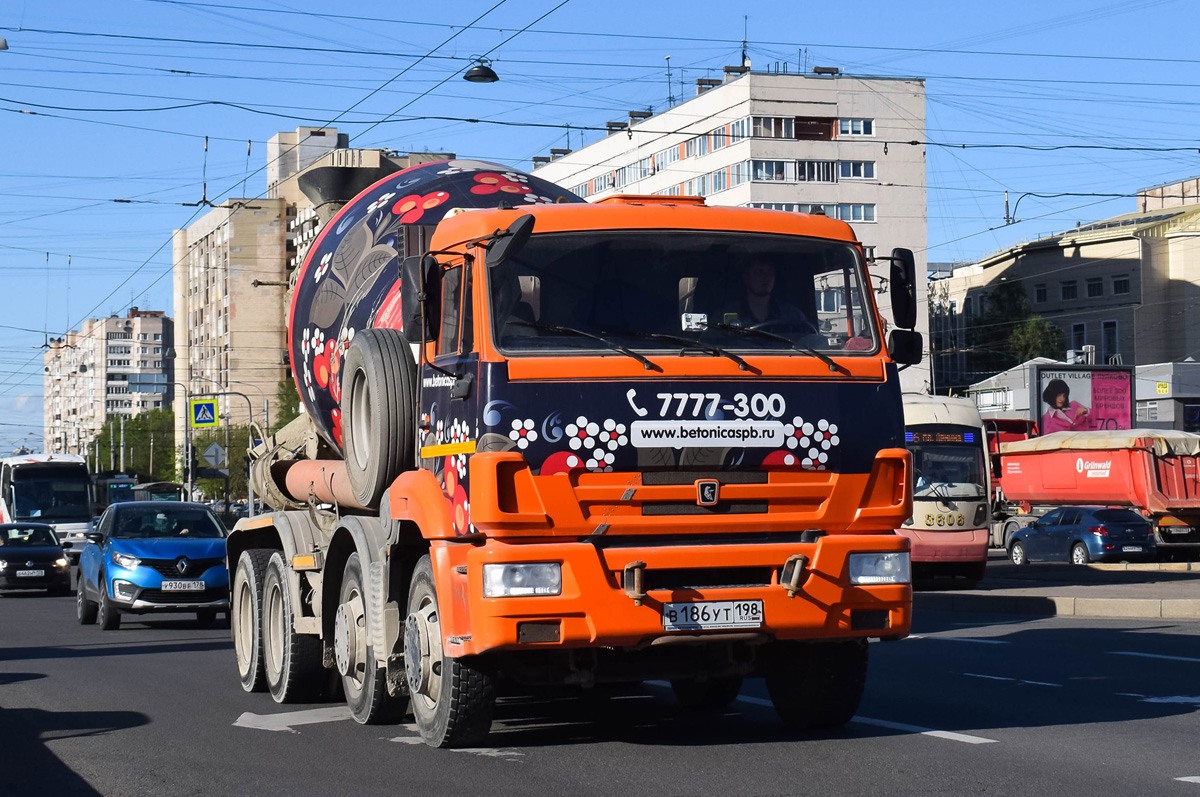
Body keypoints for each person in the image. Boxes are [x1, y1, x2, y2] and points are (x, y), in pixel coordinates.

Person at [719, 259, 816, 333]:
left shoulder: (792, 315)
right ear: (746, 277)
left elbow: (810, 342)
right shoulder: (726, 314)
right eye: (759, 272)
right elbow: (712, 345)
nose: (765, 278)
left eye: (770, 272)